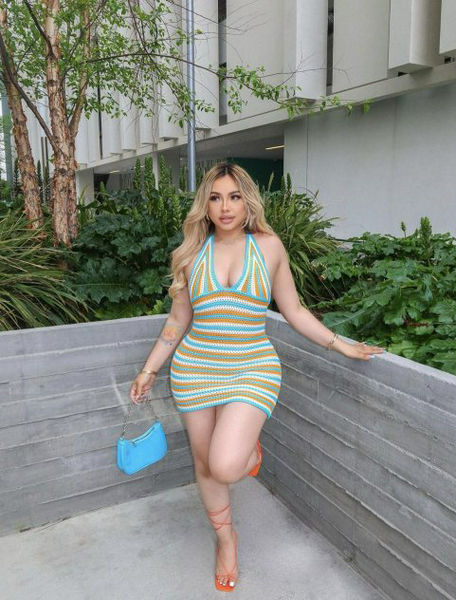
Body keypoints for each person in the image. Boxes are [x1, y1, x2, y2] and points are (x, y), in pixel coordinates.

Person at [130, 161, 384, 591]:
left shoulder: (268, 247)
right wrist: (149, 369)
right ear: (205, 205)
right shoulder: (192, 253)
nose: (225, 207)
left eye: (234, 197)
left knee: (226, 465)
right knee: (204, 465)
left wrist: (339, 343)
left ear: (248, 201)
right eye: (215, 198)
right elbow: (177, 321)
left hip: (252, 367)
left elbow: (294, 310)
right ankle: (226, 540)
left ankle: (247, 451)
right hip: (194, 370)